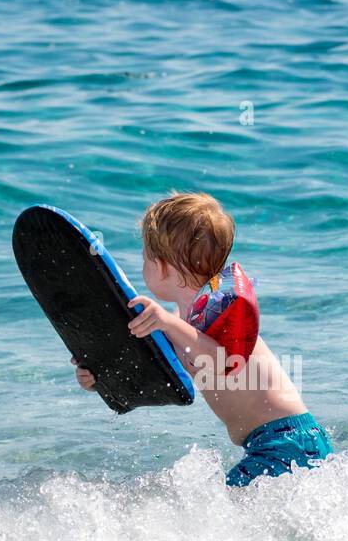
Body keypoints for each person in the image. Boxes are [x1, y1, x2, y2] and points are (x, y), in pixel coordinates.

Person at [74, 191, 333, 486]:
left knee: (228, 510)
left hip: (286, 441)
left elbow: (222, 361)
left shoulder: (216, 310)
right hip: (280, 442)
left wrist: (167, 321)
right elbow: (149, 377)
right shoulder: (180, 323)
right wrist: (99, 377)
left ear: (160, 266)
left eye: (145, 259)